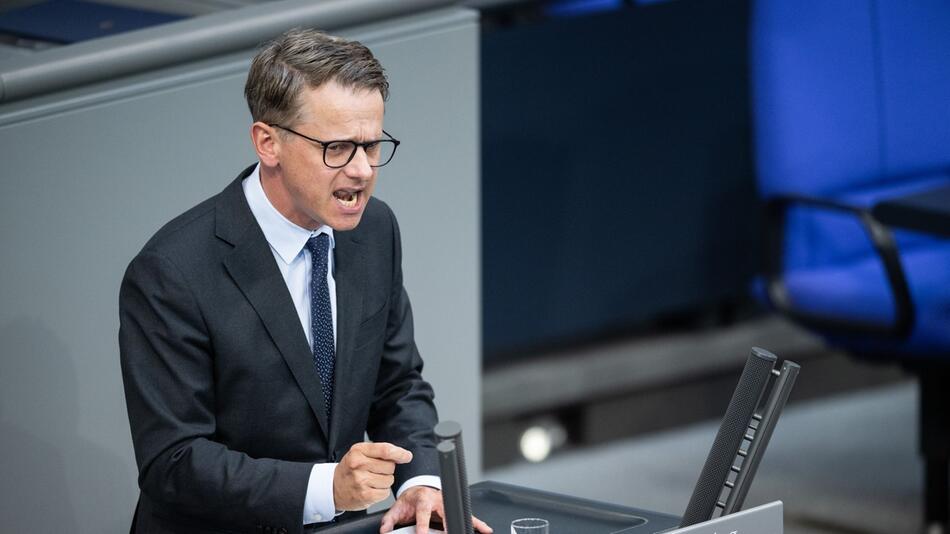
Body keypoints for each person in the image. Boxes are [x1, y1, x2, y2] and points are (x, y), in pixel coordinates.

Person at [119, 28, 491, 534]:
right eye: (338, 147)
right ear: (268, 142)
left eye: (372, 144)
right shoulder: (172, 272)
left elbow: (397, 385)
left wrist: (419, 480)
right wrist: (326, 488)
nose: (362, 170)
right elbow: (174, 461)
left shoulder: (375, 231)